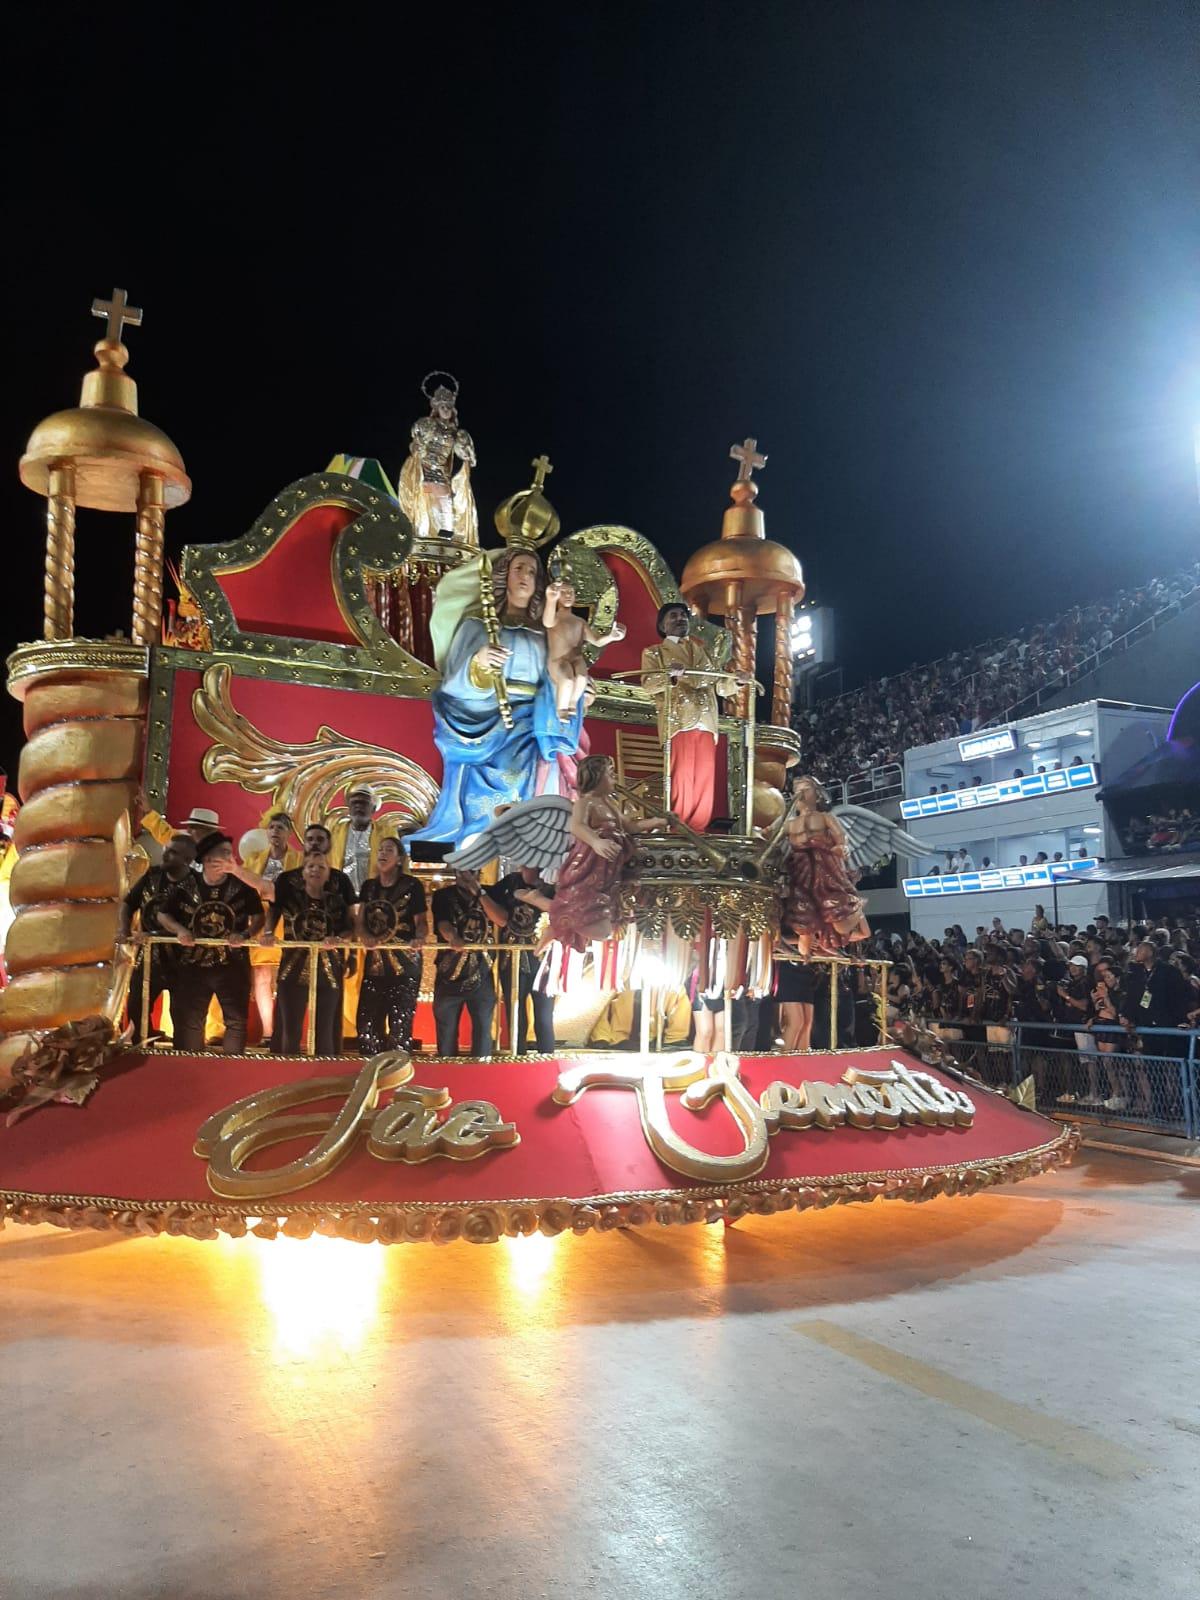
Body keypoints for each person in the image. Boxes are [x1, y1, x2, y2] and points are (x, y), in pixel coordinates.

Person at [412, 548, 585, 848]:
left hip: (537, 721)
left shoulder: (547, 631)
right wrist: (479, 664)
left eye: (532, 572)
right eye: (520, 569)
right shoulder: (479, 625)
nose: (526, 577)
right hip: (489, 717)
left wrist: (580, 691)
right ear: (505, 575)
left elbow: (561, 670)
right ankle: (477, 841)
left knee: (551, 778)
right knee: (499, 780)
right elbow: (454, 681)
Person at [547, 754, 666, 951]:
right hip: (589, 864)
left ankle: (559, 922)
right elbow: (577, 826)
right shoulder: (586, 803)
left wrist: (656, 822)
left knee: (605, 910)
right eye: (610, 775)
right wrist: (596, 841)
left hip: (609, 868)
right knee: (583, 905)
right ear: (596, 777)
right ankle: (551, 912)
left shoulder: (610, 804)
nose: (615, 780)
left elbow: (631, 826)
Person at [159, 834, 263, 1054]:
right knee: (190, 1021)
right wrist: (180, 930)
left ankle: (233, 1072)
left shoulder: (243, 886)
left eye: (230, 853)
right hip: (193, 966)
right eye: (223, 853)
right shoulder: (187, 884)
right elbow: (163, 915)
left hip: (232, 965)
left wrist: (245, 934)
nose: (229, 858)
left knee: (236, 1021)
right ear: (206, 859)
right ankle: (190, 1071)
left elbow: (259, 916)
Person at [641, 601, 738, 832]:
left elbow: (719, 684)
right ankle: (679, 829)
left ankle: (699, 831)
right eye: (673, 616)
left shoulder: (701, 650)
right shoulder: (654, 652)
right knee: (682, 779)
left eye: (684, 615)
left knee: (704, 779)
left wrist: (737, 680)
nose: (680, 619)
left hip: (706, 721)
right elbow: (648, 684)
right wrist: (671, 676)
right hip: (679, 720)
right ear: (663, 625)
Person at [269, 852, 355, 1056]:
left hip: (328, 973)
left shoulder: (336, 902)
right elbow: (270, 907)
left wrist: (339, 940)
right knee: (290, 1031)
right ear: (303, 873)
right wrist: (267, 933)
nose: (316, 870)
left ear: (328, 876)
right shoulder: (289, 898)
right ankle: (286, 1078)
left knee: (324, 1032)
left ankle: (324, 1079)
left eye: (321, 867)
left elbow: (349, 930)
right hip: (292, 972)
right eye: (311, 867)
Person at [777, 776, 869, 957]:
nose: (801, 794)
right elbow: (770, 834)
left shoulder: (825, 817)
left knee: (840, 922)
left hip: (826, 873)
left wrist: (842, 847)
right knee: (804, 929)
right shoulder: (789, 824)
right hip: (801, 877)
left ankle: (856, 909)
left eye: (806, 789)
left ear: (817, 795)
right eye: (797, 791)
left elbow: (841, 836)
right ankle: (805, 961)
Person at [117, 834, 197, 1039]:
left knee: (183, 1019)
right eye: (166, 849)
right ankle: (141, 1057)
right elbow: (127, 904)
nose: (166, 855)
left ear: (188, 859)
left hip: (184, 961)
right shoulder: (152, 876)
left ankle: (183, 1062)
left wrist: (152, 934)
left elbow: (192, 926)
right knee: (137, 1011)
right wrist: (123, 929)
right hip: (148, 959)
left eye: (173, 852)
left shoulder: (197, 884)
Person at [356, 838, 427, 1057]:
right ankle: (369, 1076)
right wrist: (366, 936)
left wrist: (420, 938)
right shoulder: (369, 887)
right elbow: (360, 921)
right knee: (366, 1024)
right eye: (380, 849)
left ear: (399, 859)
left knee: (399, 1025)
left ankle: (398, 1077)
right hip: (375, 966)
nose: (383, 853)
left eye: (389, 850)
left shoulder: (412, 886)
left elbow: (422, 921)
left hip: (405, 967)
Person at [243, 812, 301, 1047]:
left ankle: (287, 1033)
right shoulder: (255, 859)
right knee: (262, 974)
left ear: (288, 833)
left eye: (280, 828)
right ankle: (268, 1032)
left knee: (290, 978)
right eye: (272, 827)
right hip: (261, 920)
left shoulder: (299, 859)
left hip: (290, 920)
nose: (275, 831)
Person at [484, 865, 556, 1054]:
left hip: (544, 960)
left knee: (544, 1016)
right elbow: (492, 906)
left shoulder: (553, 882)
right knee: (515, 1013)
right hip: (511, 959)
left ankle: (546, 1060)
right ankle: (518, 1057)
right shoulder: (510, 882)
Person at [398, 372, 477, 542]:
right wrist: (417, 449)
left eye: (448, 406)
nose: (446, 410)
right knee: (426, 500)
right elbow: (415, 444)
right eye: (443, 407)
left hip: (441, 471)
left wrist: (467, 454)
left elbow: (463, 453)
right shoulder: (427, 425)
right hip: (425, 467)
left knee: (446, 501)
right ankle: (422, 533)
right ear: (436, 408)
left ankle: (446, 533)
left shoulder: (456, 433)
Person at [432, 869, 504, 1055]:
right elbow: (442, 924)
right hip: (449, 975)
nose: (467, 876)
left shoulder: (492, 893)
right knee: (446, 1037)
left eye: (471, 870)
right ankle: (447, 1077)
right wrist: (453, 937)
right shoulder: (443, 896)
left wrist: (479, 892)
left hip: (482, 974)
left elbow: (502, 920)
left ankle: (481, 1078)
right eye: (462, 871)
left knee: (483, 1034)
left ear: (479, 872)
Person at [542, 574, 625, 723]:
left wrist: (611, 637)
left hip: (576, 659)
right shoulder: (555, 618)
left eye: (571, 593)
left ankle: (573, 705)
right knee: (567, 680)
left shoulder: (580, 622)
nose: (568, 596)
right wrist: (550, 600)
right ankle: (561, 709)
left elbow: (597, 641)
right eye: (564, 593)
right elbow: (547, 622)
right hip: (558, 660)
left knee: (581, 678)